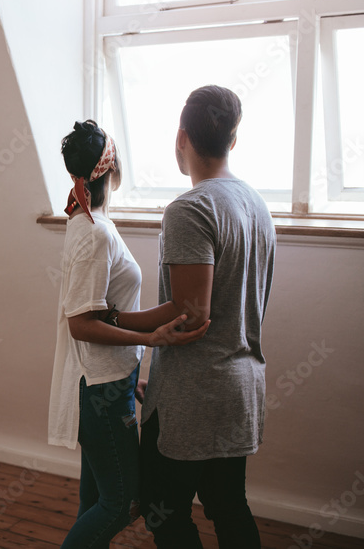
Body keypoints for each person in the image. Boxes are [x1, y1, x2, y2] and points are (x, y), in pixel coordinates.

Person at [114, 85, 276, 548]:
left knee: (164, 515)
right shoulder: (256, 204)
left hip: (195, 398)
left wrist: (116, 320)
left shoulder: (191, 208)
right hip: (238, 390)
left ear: (181, 137)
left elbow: (191, 314)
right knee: (229, 508)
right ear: (233, 140)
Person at [47, 120, 209, 549]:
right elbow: (80, 322)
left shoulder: (88, 222)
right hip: (99, 390)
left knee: (97, 499)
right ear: (112, 170)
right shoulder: (94, 232)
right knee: (123, 503)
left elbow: (101, 312)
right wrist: (149, 340)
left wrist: (127, 371)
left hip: (109, 382)